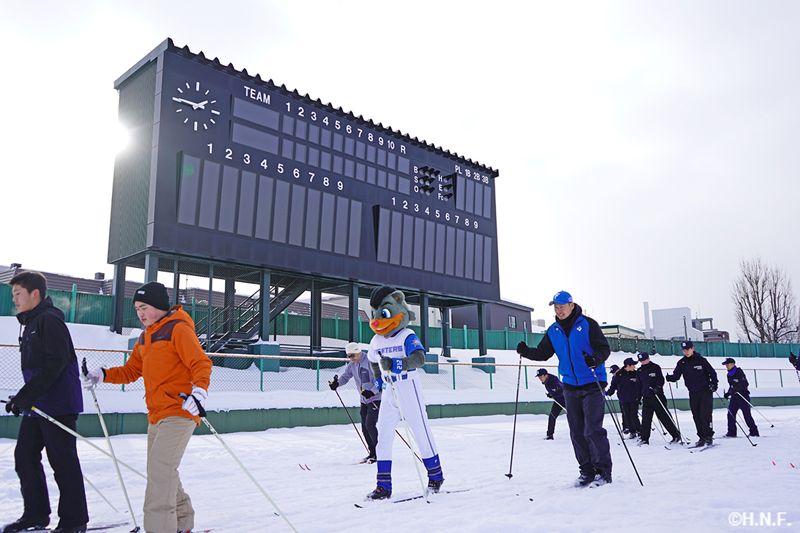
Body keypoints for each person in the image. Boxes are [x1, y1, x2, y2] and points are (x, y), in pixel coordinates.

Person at [82, 282, 212, 533]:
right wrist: (103, 374)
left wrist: (199, 391)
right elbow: (132, 370)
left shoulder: (179, 329)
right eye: (137, 308)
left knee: (160, 472)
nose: (140, 313)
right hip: (156, 414)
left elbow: (200, 362)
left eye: (145, 307)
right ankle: (183, 522)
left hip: (179, 410)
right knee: (161, 471)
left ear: (160, 306)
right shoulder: (146, 336)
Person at [2, 271, 89, 533]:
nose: (14, 299)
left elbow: (55, 362)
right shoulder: (31, 322)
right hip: (39, 404)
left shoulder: (48, 321)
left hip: (58, 404)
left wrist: (26, 396)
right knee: (24, 456)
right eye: (13, 294)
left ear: (34, 293)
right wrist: (24, 397)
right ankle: (36, 515)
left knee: (63, 463)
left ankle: (74, 522)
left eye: (18, 293)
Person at [516, 291, 613, 487]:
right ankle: (587, 472)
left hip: (592, 382)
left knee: (592, 429)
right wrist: (526, 352)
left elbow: (603, 348)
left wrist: (595, 360)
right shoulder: (553, 330)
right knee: (576, 430)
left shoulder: (588, 324)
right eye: (556, 307)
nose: (559, 310)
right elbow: (544, 353)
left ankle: (603, 472)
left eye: (562, 306)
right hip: (569, 385)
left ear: (571, 305)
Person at [365, 285, 443, 500]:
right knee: (384, 437)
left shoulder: (407, 335)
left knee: (420, 431)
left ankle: (436, 475)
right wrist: (379, 379)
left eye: (383, 313)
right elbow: (373, 361)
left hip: (408, 386)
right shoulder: (376, 340)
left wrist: (396, 364)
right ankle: (383, 486)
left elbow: (420, 359)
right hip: (390, 389)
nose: (377, 320)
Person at [329, 342, 381, 462]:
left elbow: (380, 378)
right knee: (364, 427)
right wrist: (337, 384)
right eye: (349, 356)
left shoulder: (370, 361)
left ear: (359, 352)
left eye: (353, 355)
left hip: (375, 398)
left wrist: (372, 391)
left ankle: (380, 453)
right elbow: (345, 376)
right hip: (364, 400)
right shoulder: (352, 364)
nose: (351, 358)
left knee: (370, 424)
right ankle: (372, 453)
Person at [665, 340, 718, 447]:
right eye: (684, 350)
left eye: (688, 350)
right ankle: (701, 436)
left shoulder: (701, 360)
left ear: (692, 349)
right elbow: (676, 375)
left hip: (705, 391)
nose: (686, 352)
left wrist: (714, 384)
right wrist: (670, 378)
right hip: (693, 392)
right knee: (696, 415)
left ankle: (708, 436)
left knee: (705, 414)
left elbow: (712, 373)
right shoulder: (682, 363)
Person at [636, 352, 681, 445]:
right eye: (641, 361)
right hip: (647, 398)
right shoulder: (639, 371)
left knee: (664, 417)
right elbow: (638, 385)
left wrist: (658, 387)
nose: (643, 362)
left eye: (644, 360)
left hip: (657, 396)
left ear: (648, 358)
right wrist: (638, 396)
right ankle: (644, 438)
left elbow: (660, 379)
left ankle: (675, 435)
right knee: (646, 419)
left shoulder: (655, 367)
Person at [721, 358, 759, 438]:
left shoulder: (739, 372)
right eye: (726, 365)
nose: (727, 366)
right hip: (734, 397)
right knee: (730, 414)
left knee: (746, 414)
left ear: (733, 364)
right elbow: (731, 385)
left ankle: (754, 432)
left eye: (728, 364)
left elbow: (745, 384)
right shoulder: (729, 374)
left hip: (742, 396)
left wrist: (737, 388)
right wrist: (728, 393)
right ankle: (731, 432)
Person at [607, 358, 642, 439]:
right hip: (623, 398)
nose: (634, 367)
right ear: (627, 365)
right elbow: (614, 385)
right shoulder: (619, 375)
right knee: (627, 415)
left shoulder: (636, 374)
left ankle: (639, 430)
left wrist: (640, 395)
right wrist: (609, 392)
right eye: (633, 365)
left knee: (634, 414)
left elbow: (641, 384)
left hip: (634, 398)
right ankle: (632, 431)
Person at [536, 368, 565, 440]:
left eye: (541, 376)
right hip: (558, 402)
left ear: (546, 375)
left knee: (574, 417)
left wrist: (553, 394)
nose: (540, 378)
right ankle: (549, 435)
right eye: (539, 377)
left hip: (567, 401)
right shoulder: (546, 382)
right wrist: (552, 395)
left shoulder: (554, 382)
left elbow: (562, 391)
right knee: (552, 416)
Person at [607, 364, 629, 434]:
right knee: (624, 412)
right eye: (612, 373)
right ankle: (625, 427)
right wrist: (609, 392)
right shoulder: (614, 378)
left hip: (629, 397)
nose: (613, 374)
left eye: (614, 372)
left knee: (630, 413)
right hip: (621, 397)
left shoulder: (623, 375)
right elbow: (613, 386)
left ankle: (632, 427)